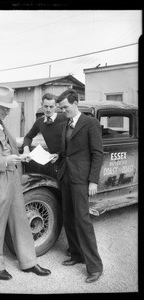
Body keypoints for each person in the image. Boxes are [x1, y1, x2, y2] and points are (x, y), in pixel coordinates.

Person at [0, 85, 51, 280]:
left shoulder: (1, 124)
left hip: (13, 178)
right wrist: (5, 161)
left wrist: (22, 156)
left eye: (9, 108)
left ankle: (29, 262)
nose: (8, 111)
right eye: (5, 108)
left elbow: (7, 149)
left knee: (20, 221)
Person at [51, 89, 104, 283]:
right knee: (69, 217)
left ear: (76, 103)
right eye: (61, 107)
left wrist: (93, 181)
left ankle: (95, 267)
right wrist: (59, 155)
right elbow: (68, 151)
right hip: (66, 176)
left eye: (65, 107)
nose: (63, 110)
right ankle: (76, 254)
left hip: (82, 179)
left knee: (83, 221)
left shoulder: (91, 124)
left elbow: (98, 154)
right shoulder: (66, 123)